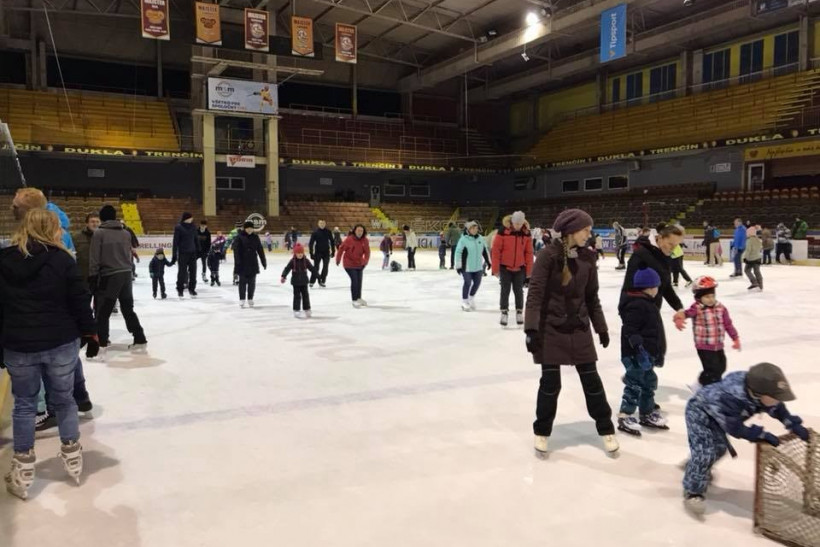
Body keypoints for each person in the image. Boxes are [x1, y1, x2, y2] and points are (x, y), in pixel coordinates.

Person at [0, 209, 98, 499]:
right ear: (54, 229)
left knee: (25, 404)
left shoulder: (3, 261)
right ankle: (72, 453)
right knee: (64, 399)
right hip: (60, 342)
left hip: (19, 344)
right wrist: (90, 333)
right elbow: (80, 300)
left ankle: (23, 465)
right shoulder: (61, 260)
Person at [524, 208, 618, 456]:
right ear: (572, 230)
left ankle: (606, 429)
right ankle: (542, 431)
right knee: (550, 384)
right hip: (551, 329)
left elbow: (592, 297)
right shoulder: (547, 256)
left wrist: (601, 328)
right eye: (586, 230)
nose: (590, 234)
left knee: (592, 382)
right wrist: (531, 328)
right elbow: (535, 294)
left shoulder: (588, 258)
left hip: (579, 328)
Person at [682, 363, 809, 516]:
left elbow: (776, 408)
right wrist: (761, 435)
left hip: (720, 416)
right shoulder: (730, 397)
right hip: (700, 413)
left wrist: (791, 423)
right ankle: (693, 491)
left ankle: (694, 466)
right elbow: (735, 428)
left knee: (719, 449)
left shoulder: (760, 393)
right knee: (706, 453)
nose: (777, 401)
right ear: (758, 393)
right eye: (774, 397)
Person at [617, 268, 667, 436]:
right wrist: (639, 349)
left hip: (647, 354)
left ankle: (646, 412)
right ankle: (626, 414)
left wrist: (656, 354)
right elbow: (630, 329)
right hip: (635, 355)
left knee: (649, 382)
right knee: (635, 384)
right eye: (656, 287)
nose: (657, 290)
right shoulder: (637, 305)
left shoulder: (647, 303)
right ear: (650, 287)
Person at [89, 205, 147, 351]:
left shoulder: (99, 233)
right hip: (126, 275)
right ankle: (139, 338)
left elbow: (94, 258)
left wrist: (92, 277)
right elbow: (128, 254)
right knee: (128, 309)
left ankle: (101, 342)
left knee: (103, 312)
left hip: (110, 276)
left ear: (102, 218)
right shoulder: (125, 233)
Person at [674, 276, 740, 392]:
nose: (711, 299)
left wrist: (735, 338)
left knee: (721, 366)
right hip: (704, 345)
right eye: (707, 296)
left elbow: (728, 324)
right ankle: (709, 390)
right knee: (712, 369)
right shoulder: (697, 308)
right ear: (699, 298)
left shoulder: (721, 308)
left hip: (718, 344)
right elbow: (685, 314)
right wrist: (679, 319)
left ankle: (701, 382)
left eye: (712, 296)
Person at [492, 211, 534, 327]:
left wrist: (529, 271)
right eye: (516, 223)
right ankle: (504, 312)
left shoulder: (526, 233)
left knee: (519, 291)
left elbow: (529, 252)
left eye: (520, 224)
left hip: (520, 268)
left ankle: (519, 311)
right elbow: (496, 250)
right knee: (505, 290)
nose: (518, 226)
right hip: (505, 267)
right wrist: (495, 268)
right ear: (512, 222)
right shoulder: (503, 231)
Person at [455, 221, 491, 312]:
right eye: (473, 228)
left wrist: (488, 262)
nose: (475, 230)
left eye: (476, 228)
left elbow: (485, 250)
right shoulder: (463, 240)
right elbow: (458, 253)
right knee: (467, 282)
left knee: (477, 283)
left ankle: (471, 298)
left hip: (478, 266)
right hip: (466, 267)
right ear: (468, 229)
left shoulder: (480, 238)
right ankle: (465, 301)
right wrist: (458, 266)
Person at [336, 224, 370, 308]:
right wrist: (338, 259)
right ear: (355, 231)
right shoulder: (349, 239)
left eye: (361, 231)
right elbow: (341, 249)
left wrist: (365, 261)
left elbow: (367, 252)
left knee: (359, 281)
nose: (360, 232)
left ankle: (358, 298)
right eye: (358, 230)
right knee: (354, 281)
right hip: (349, 264)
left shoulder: (365, 240)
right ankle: (354, 300)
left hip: (359, 264)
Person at [234, 221, 267, 308]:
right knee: (242, 282)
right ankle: (242, 299)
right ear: (245, 228)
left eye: (251, 228)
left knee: (252, 282)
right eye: (248, 228)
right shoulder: (239, 237)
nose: (249, 230)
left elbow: (260, 250)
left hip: (253, 263)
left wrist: (263, 261)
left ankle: (250, 298)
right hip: (242, 263)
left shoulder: (255, 237)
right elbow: (236, 251)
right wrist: (237, 262)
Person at [281, 243, 317, 318]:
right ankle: (296, 309)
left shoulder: (306, 261)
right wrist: (283, 276)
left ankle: (307, 309)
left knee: (305, 296)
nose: (300, 254)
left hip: (304, 282)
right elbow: (287, 269)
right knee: (297, 296)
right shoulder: (292, 261)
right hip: (296, 282)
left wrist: (317, 275)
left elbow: (312, 268)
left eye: (301, 253)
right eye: (298, 253)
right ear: (295, 253)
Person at [171, 212, 200, 299]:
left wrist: (199, 249)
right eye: (191, 218)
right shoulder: (179, 227)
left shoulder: (193, 227)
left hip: (192, 253)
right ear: (186, 218)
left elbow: (196, 239)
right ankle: (180, 289)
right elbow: (175, 242)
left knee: (193, 272)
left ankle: (192, 289)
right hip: (183, 253)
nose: (192, 219)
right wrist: (174, 255)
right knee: (182, 272)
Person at [73, 213, 100, 289]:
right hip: (83, 276)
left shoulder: (105, 237)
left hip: (100, 277)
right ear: (87, 223)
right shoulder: (77, 238)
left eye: (97, 222)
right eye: (92, 222)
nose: (95, 224)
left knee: (100, 300)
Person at [308, 219, 336, 287]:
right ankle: (312, 281)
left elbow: (332, 242)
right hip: (318, 252)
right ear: (318, 224)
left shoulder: (328, 232)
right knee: (316, 268)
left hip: (326, 252)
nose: (322, 224)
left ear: (325, 224)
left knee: (325, 267)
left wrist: (333, 251)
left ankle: (322, 281)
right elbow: (311, 243)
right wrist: (311, 253)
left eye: (323, 223)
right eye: (320, 223)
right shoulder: (315, 232)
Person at [743, 226, 763, 291]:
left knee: (747, 270)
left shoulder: (749, 240)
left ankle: (754, 282)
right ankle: (760, 285)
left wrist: (745, 257)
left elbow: (748, 250)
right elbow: (760, 248)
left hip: (751, 259)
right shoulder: (758, 240)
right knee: (757, 272)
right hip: (758, 258)